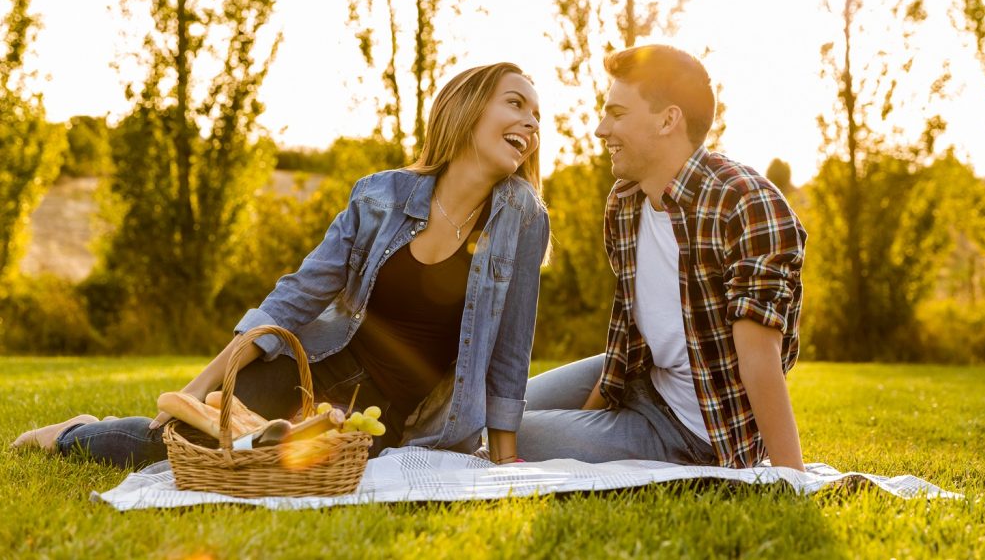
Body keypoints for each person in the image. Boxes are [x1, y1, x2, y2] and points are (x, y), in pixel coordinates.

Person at [13, 62, 549, 468]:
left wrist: (503, 461)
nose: (530, 121)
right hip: (307, 371)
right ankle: (72, 433)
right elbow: (296, 297)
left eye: (537, 116)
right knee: (186, 448)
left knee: (297, 473)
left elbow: (511, 348)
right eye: (516, 103)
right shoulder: (380, 197)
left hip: (386, 419)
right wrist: (198, 388)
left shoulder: (522, 218)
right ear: (468, 107)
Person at [517, 45, 807, 470]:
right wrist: (588, 419)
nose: (601, 129)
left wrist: (791, 477)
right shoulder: (625, 203)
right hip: (640, 379)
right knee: (492, 413)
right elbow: (631, 335)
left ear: (668, 119)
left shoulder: (746, 203)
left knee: (498, 433)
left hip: (695, 430)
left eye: (617, 114)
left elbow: (760, 359)